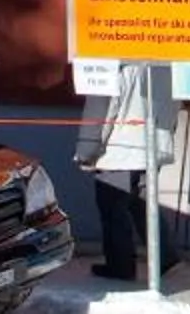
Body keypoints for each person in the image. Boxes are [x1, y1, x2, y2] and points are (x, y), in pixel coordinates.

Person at [77, 65, 159, 282]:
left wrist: (86, 152)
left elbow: (98, 113)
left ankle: (120, 266)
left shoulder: (107, 67)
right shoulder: (157, 64)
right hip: (151, 147)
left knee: (114, 212)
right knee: (142, 207)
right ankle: (165, 258)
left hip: (118, 151)